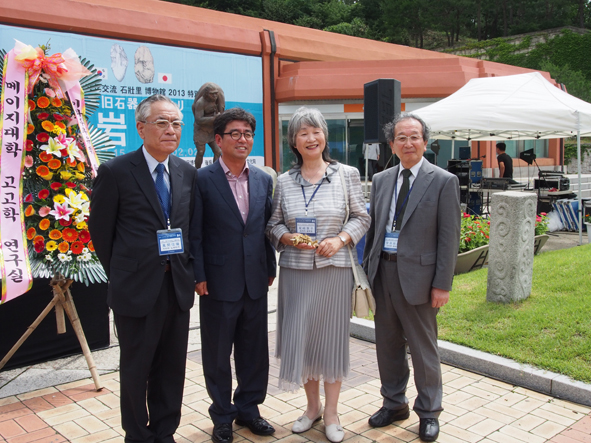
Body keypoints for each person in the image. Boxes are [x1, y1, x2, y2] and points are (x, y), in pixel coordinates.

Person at [88, 94, 198, 443]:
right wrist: (129, 270)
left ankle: (165, 431)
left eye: (177, 123)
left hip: (176, 287)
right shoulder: (116, 171)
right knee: (137, 369)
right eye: (162, 122)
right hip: (136, 289)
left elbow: (190, 227)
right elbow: (101, 233)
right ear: (141, 128)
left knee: (171, 367)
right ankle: (137, 435)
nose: (171, 130)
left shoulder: (186, 172)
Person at [266, 107, 370, 443]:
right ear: (293, 142)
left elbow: (361, 217)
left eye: (316, 131)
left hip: (334, 270)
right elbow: (273, 223)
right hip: (296, 272)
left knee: (332, 342)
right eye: (302, 133)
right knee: (305, 341)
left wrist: (340, 239)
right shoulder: (283, 181)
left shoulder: (347, 174)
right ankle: (312, 408)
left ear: (324, 136)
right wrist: (287, 237)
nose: (310, 138)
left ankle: (333, 412)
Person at [362, 113, 460, 442]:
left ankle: (430, 411)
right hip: (383, 275)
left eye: (414, 137)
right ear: (392, 144)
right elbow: (375, 229)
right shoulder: (381, 179)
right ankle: (394, 403)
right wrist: (366, 273)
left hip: (420, 279)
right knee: (387, 346)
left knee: (423, 349)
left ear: (425, 142)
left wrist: (442, 284)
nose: (408, 143)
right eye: (401, 138)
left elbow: (449, 238)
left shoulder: (443, 181)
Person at [190, 108, 276, 443]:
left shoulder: (262, 179)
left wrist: (270, 267)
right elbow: (194, 231)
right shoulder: (202, 179)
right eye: (235, 134)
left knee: (255, 351)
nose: (243, 139)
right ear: (218, 140)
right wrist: (198, 273)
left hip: (255, 280)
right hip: (217, 281)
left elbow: (264, 229)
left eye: (247, 134)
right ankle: (222, 415)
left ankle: (249, 410)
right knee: (217, 353)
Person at [192, 82, 225, 168]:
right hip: (201, 130)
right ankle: (197, 171)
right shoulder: (200, 103)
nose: (215, 96)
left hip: (211, 130)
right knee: (201, 152)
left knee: (218, 151)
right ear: (206, 94)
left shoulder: (217, 100)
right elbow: (198, 120)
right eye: (212, 94)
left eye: (216, 94)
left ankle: (214, 171)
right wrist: (214, 119)